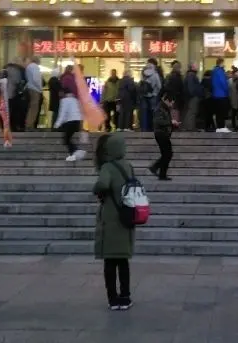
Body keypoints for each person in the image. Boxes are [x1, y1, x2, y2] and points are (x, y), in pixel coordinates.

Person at [92, 134, 136, 311]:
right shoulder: (128, 166)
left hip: (110, 218)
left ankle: (113, 298)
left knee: (110, 261)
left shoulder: (107, 167)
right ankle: (125, 296)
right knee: (123, 261)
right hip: (126, 217)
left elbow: (102, 184)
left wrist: (95, 189)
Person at [149, 94, 177, 181]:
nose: (172, 105)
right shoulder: (160, 108)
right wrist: (171, 122)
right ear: (167, 101)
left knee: (167, 154)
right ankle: (157, 170)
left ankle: (159, 172)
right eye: (171, 103)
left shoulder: (164, 108)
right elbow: (158, 121)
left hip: (164, 134)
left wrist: (173, 125)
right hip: (161, 134)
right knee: (167, 154)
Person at [55, 89, 86, 162]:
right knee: (67, 138)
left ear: (64, 93)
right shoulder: (76, 100)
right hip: (78, 121)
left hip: (70, 122)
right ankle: (73, 154)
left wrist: (57, 124)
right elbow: (81, 112)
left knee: (66, 139)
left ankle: (77, 151)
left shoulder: (64, 100)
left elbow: (62, 113)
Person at [139, 58, 162, 132]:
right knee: (153, 113)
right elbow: (159, 86)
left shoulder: (143, 74)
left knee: (144, 113)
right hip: (153, 96)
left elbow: (141, 84)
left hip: (144, 96)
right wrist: (155, 92)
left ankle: (144, 129)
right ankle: (153, 129)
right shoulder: (155, 74)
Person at [5, 59, 28, 132]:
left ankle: (7, 127)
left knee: (7, 111)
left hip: (5, 93)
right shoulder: (17, 70)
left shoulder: (5, 69)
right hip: (14, 94)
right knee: (15, 111)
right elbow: (18, 81)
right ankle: (15, 127)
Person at [211, 58, 231, 133]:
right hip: (221, 95)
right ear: (221, 63)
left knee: (218, 112)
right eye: (223, 63)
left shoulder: (214, 71)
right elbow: (223, 83)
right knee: (221, 112)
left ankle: (219, 127)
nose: (224, 65)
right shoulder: (220, 71)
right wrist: (227, 91)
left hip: (215, 94)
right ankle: (221, 127)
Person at [24, 56, 42, 131]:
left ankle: (28, 125)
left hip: (30, 88)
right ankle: (29, 125)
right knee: (34, 108)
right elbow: (36, 79)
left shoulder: (28, 67)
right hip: (35, 89)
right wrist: (40, 88)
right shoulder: (35, 67)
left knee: (31, 107)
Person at [182, 63, 202, 132]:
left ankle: (190, 127)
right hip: (192, 97)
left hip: (191, 96)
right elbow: (191, 87)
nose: (197, 67)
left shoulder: (190, 75)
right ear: (192, 67)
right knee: (192, 112)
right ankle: (190, 127)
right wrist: (194, 94)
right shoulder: (191, 75)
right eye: (196, 66)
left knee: (191, 112)